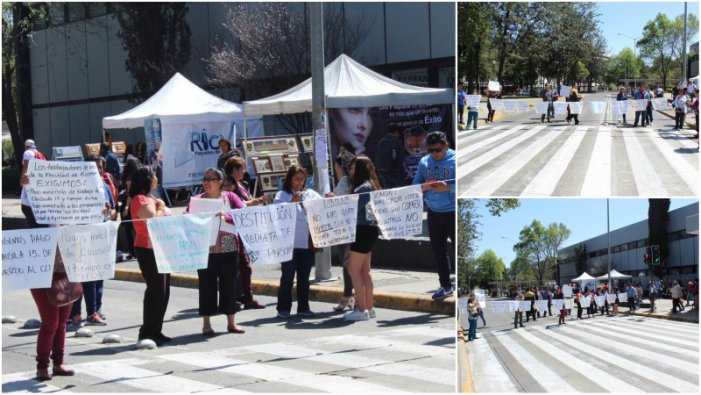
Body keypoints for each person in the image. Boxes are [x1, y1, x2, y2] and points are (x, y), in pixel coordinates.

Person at [187, 168, 246, 335]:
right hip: (206, 250)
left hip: (229, 248)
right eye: (205, 178)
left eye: (211, 179)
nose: (207, 182)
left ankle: (231, 322)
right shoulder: (197, 200)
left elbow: (244, 215)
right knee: (207, 286)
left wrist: (226, 217)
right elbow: (187, 218)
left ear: (220, 182)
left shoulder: (230, 197)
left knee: (229, 285)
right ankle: (206, 323)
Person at [68, 157, 116, 328]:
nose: (100, 171)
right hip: (81, 237)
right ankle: (75, 314)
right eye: (96, 168)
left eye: (102, 168)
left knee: (97, 277)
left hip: (99, 236)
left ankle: (93, 311)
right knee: (81, 277)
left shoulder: (104, 187)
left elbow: (113, 211)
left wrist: (109, 210)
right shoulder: (77, 190)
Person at [130, 166, 173, 346]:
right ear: (147, 179)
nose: (156, 178)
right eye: (154, 175)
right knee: (155, 291)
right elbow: (153, 220)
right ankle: (147, 332)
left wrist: (161, 207)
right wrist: (162, 207)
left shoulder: (152, 198)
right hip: (147, 249)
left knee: (164, 291)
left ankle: (157, 330)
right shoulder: (139, 199)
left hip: (161, 248)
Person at [274, 165, 322, 319]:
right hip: (289, 244)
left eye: (302, 179)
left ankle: (303, 307)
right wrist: (292, 203)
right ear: (290, 179)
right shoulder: (282, 195)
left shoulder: (311, 194)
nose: (299, 182)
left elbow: (323, 208)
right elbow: (277, 215)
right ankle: (283, 308)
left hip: (306, 244)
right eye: (296, 179)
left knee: (304, 278)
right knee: (287, 277)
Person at [413, 131, 455, 300]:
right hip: (434, 212)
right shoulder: (424, 162)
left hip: (453, 210)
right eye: (431, 150)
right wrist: (425, 186)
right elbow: (415, 184)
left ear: (446, 145)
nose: (435, 154)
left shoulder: (456, 160)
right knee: (439, 251)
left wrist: (448, 187)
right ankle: (445, 286)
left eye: (438, 149)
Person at [223, 156, 268, 310]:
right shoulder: (229, 185)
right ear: (234, 170)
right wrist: (252, 203)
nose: (244, 171)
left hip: (243, 229)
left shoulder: (241, 185)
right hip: (231, 231)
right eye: (241, 168)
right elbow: (235, 205)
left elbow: (241, 205)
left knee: (244, 265)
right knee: (234, 265)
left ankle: (245, 297)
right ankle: (233, 297)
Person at [343, 156, 382, 321]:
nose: (351, 171)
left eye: (353, 168)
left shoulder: (363, 188)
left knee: (353, 269)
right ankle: (369, 307)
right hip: (370, 229)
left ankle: (361, 309)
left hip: (363, 230)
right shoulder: (372, 185)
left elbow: (350, 208)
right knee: (365, 271)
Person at [31, 249, 76, 381]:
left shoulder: (69, 227)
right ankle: (42, 366)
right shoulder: (36, 227)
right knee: (50, 323)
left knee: (62, 322)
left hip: (65, 273)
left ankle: (58, 363)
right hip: (40, 274)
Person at [331, 150, 356, 312]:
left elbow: (338, 204)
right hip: (353, 226)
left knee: (347, 264)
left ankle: (348, 295)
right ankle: (352, 296)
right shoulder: (353, 181)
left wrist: (330, 198)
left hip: (344, 228)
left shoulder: (345, 181)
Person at [19, 139, 48, 229]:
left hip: (30, 192)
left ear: (25, 146)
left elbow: (26, 168)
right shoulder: (41, 155)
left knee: (32, 222)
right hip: (40, 192)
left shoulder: (27, 153)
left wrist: (22, 179)